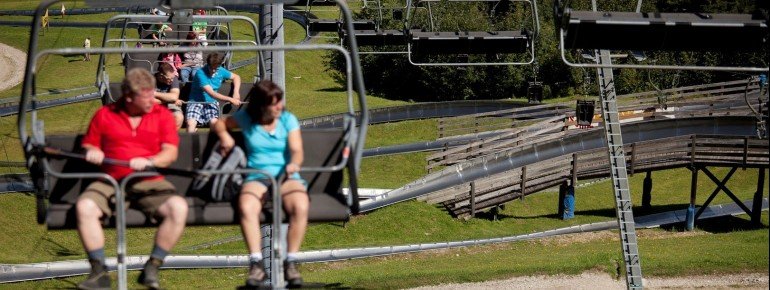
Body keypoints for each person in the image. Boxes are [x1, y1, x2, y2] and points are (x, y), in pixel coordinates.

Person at [75, 68, 187, 290]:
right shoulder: (106, 115)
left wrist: (151, 160)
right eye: (146, 98)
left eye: (152, 95)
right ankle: (99, 271)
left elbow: (170, 153)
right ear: (129, 98)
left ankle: (153, 266)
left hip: (149, 180)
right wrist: (92, 151)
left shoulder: (161, 114)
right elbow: (90, 143)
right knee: (85, 207)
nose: (152, 101)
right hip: (111, 180)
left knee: (178, 208)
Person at [213, 80, 308, 288]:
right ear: (261, 106)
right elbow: (218, 123)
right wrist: (224, 137)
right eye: (274, 104)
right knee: (247, 207)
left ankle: (291, 261)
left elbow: (297, 150)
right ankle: (256, 263)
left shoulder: (287, 119)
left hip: (285, 175)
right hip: (258, 175)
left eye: (279, 102)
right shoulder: (247, 119)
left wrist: (294, 163)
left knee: (300, 206)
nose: (279, 107)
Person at [185, 53, 241, 133]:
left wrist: (236, 93)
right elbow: (211, 93)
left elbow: (236, 77)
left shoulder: (221, 70)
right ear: (207, 64)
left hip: (211, 102)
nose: (213, 71)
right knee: (191, 124)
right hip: (196, 102)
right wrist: (231, 99)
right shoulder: (200, 73)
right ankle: (191, 142)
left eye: (216, 68)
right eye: (211, 68)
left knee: (214, 123)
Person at [155, 62, 184, 128]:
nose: (171, 80)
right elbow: (149, 101)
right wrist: (169, 99)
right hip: (154, 107)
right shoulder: (151, 79)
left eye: (172, 78)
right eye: (169, 78)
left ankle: (170, 137)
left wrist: (155, 94)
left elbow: (174, 97)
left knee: (178, 117)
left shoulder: (173, 79)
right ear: (161, 76)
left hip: (171, 105)